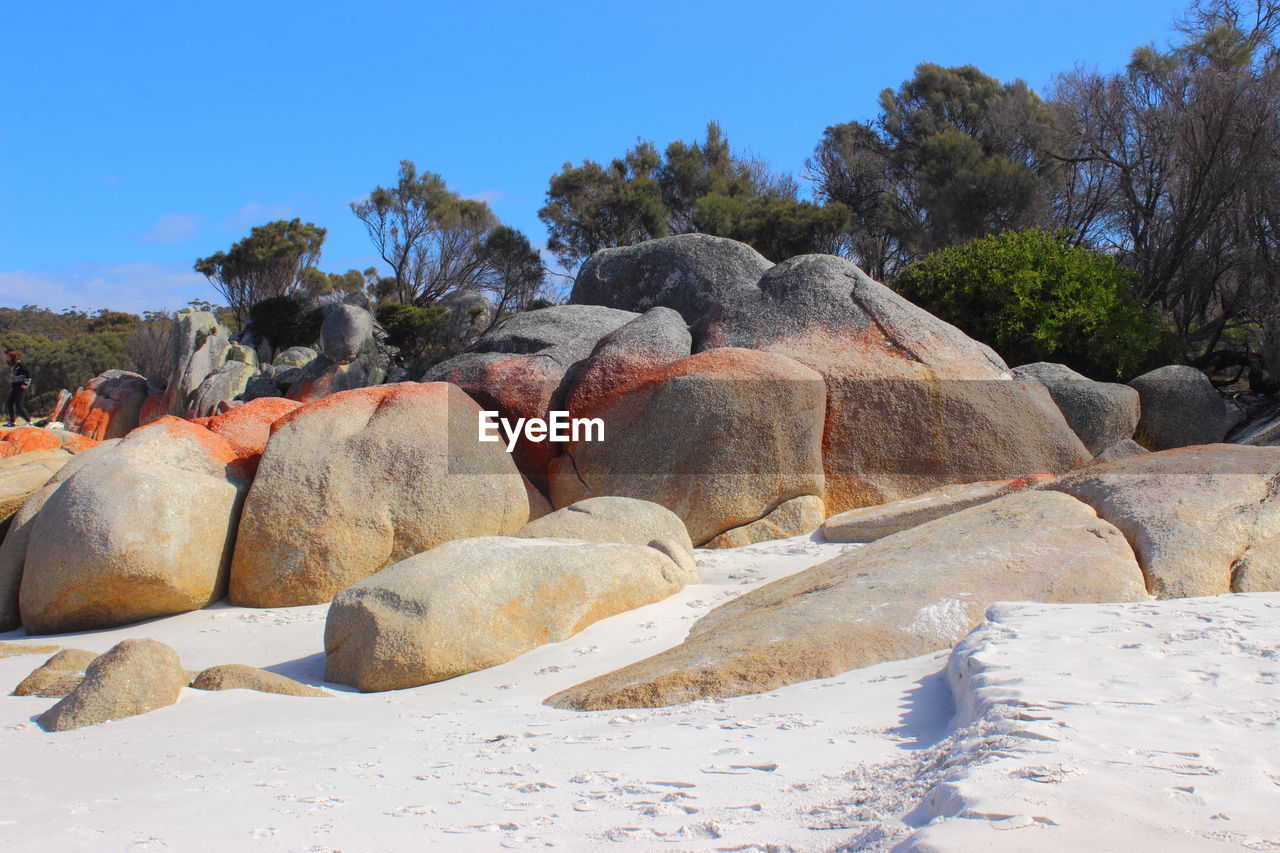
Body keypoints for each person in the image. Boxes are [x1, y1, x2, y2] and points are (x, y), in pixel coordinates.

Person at [5, 349, 33, 427]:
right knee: (10, 403)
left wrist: (25, 383)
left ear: (12, 356)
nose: (6, 357)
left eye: (7, 356)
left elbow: (29, 374)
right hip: (15, 387)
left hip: (20, 387)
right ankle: (12, 421)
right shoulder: (13, 365)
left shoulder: (20, 365)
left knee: (19, 405)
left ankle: (29, 422)